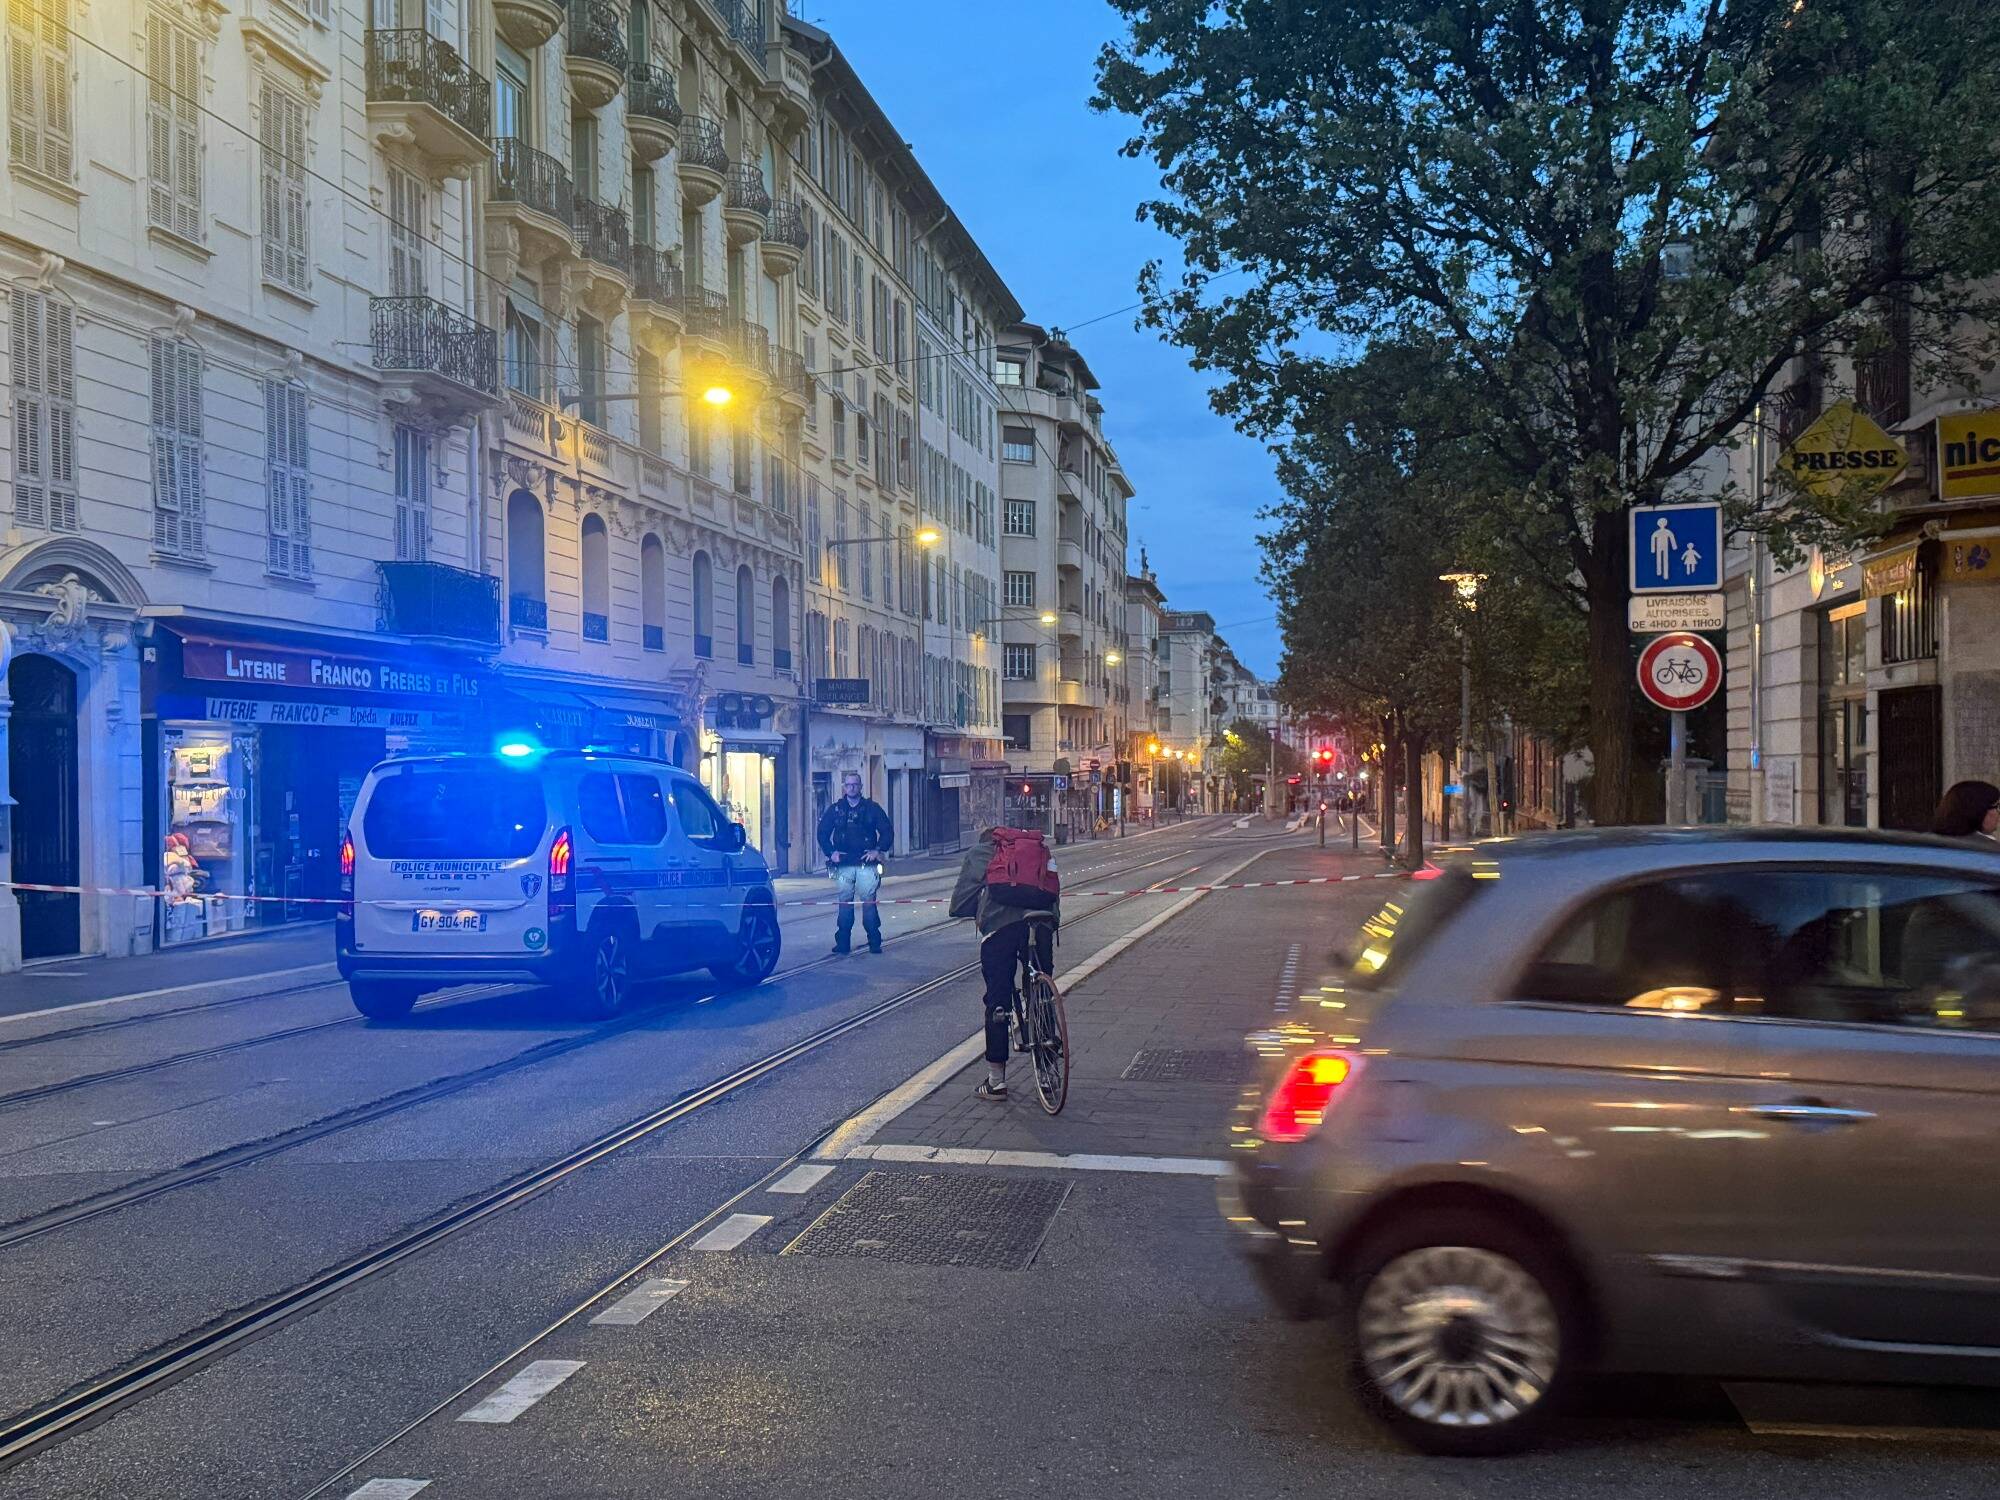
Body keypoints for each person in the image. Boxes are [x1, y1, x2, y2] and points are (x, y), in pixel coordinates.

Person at [950, 824, 1060, 1101]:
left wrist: (974, 910)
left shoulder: (979, 853)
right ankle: (1047, 1074)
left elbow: (959, 901)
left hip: (1000, 929)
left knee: (997, 1000)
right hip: (1040, 922)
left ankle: (996, 1080)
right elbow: (1053, 889)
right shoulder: (1040, 850)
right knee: (1041, 993)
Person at [817, 771, 893, 954]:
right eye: (848, 785)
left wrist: (878, 850)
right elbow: (822, 832)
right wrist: (830, 852)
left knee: (868, 904)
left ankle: (874, 941)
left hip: (866, 864)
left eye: (855, 785)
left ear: (860, 787)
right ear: (844, 787)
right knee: (845, 904)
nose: (851, 788)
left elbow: (887, 831)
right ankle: (843, 942)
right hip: (843, 864)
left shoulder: (872, 809)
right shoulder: (836, 809)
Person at [1932, 780, 2000, 840]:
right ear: (1979, 811)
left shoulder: (1926, 844)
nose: (1998, 813)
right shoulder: (1988, 851)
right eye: (1997, 807)